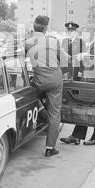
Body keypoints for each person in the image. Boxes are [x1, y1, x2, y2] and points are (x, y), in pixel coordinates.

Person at [25, 16, 70, 157]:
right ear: (45, 28)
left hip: (38, 81)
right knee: (55, 113)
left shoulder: (27, 43)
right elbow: (64, 59)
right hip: (55, 81)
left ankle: (37, 120)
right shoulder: (53, 41)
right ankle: (50, 148)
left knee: (30, 99)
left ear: (34, 26)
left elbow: (21, 62)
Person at [60, 36, 95, 146]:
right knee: (86, 109)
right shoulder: (92, 45)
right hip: (92, 81)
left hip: (94, 81)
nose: (82, 36)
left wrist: (86, 57)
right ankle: (77, 136)